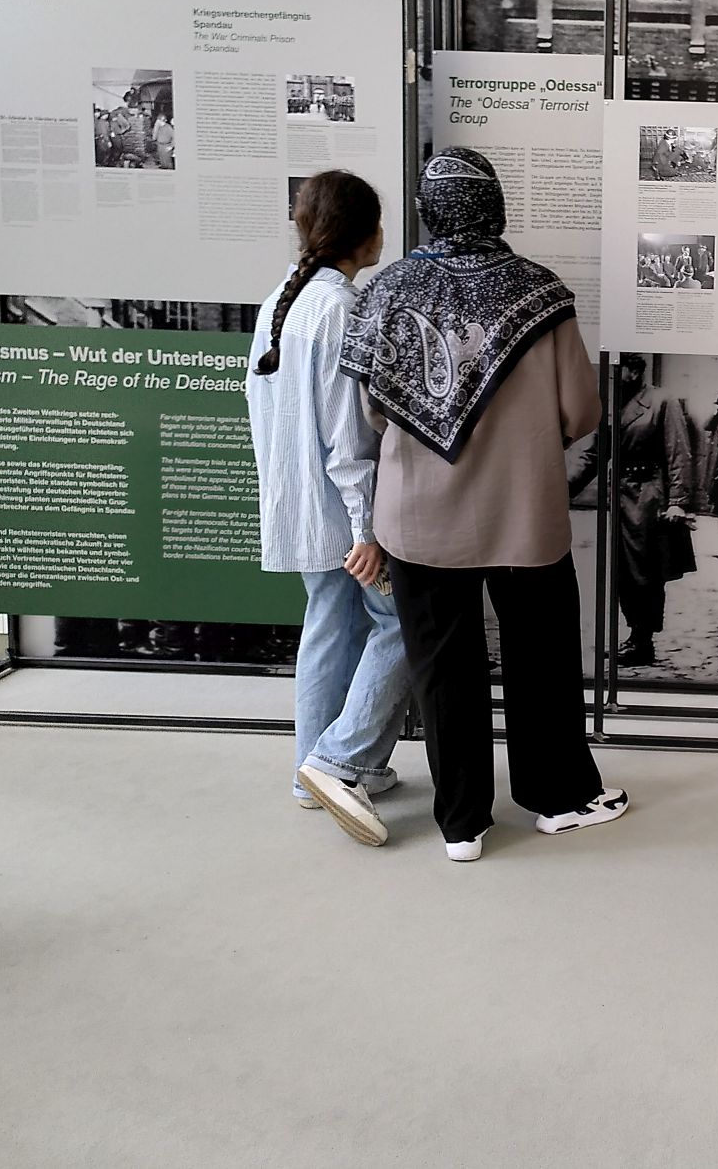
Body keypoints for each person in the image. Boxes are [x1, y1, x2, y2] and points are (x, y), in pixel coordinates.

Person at [340, 148, 626, 862]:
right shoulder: (542, 292)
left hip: (417, 519)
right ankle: (557, 799)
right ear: (495, 205)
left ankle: (463, 824)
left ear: (426, 210)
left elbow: (371, 414)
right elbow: (581, 411)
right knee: (541, 659)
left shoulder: (385, 291)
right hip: (524, 514)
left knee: (444, 668)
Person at [245, 170, 410, 845]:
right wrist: (367, 528)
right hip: (343, 515)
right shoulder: (342, 311)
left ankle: (316, 770)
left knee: (327, 629)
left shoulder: (280, 303)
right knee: (402, 623)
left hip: (300, 506)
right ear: (365, 234)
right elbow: (348, 439)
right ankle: (335, 760)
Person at [573, 353, 696, 668]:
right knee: (624, 573)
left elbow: (677, 453)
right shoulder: (612, 404)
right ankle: (634, 636)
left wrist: (678, 502)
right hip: (622, 498)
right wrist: (559, 491)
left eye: (622, 370)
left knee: (646, 574)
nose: (616, 377)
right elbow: (594, 455)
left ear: (636, 371)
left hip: (649, 498)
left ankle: (643, 640)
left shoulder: (661, 401)